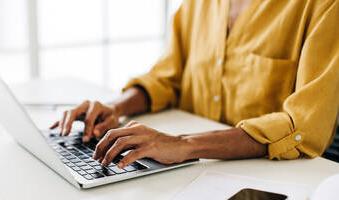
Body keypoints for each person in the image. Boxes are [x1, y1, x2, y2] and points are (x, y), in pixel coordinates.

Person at [51, 0, 339, 169]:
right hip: (192, 172)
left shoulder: (324, 7)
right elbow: (168, 78)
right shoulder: (196, 5)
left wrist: (183, 145)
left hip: (268, 180)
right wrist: (115, 107)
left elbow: (304, 127)